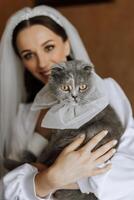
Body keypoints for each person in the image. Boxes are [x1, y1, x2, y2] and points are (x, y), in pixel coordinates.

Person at [0, 5, 134, 200]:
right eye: (29, 55)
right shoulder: (23, 115)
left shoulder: (105, 91)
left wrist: (62, 178)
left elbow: (130, 173)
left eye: (49, 47)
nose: (43, 63)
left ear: (67, 45)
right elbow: (9, 190)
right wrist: (48, 180)